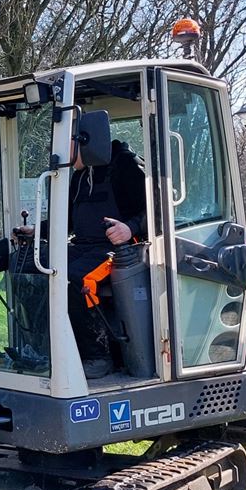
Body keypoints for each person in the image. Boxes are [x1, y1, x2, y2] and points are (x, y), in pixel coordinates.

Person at [66, 135, 147, 379]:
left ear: (85, 140)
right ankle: (48, 351)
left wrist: (130, 228)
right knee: (38, 268)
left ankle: (98, 356)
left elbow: (157, 207)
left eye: (64, 143)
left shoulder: (126, 165)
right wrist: (37, 230)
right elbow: (66, 222)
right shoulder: (79, 175)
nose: (57, 153)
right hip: (83, 246)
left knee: (77, 279)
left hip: (119, 249)